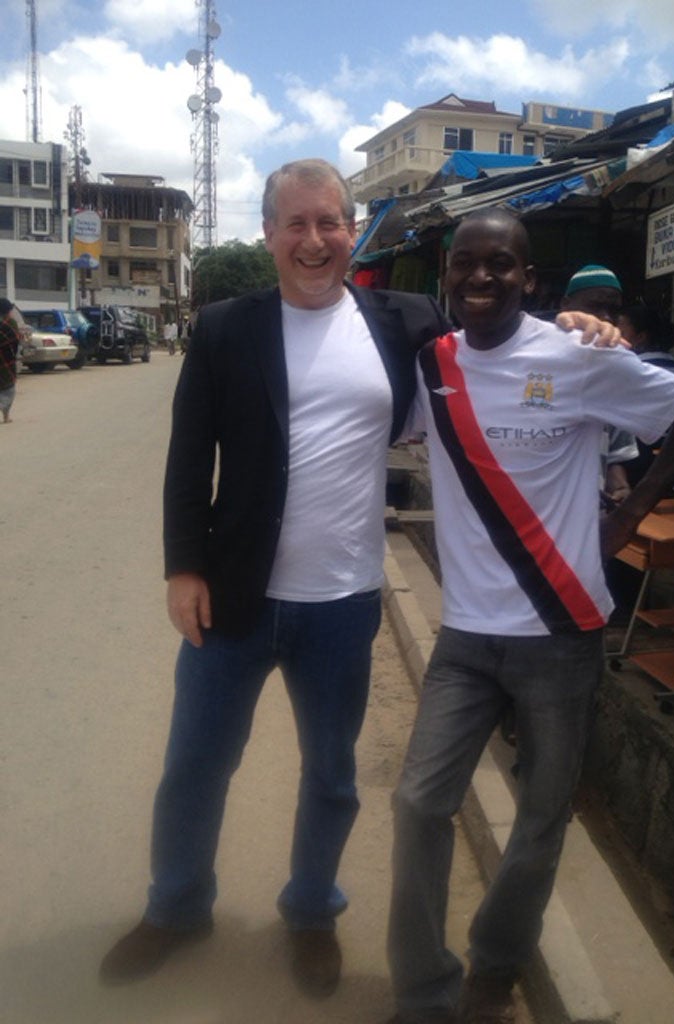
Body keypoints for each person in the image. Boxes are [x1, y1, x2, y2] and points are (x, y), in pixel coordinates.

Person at [98, 158, 621, 996]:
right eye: (296, 224)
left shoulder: (403, 319)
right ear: (269, 235)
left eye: (330, 222)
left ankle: (311, 911)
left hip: (342, 602)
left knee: (332, 774)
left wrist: (577, 327)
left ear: (352, 231)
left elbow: (498, 327)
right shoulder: (227, 327)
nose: (314, 240)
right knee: (195, 764)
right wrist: (182, 568)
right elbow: (189, 457)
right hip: (234, 595)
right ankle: (177, 906)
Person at [385, 208, 674, 1024]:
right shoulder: (433, 367)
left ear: (528, 279)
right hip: (467, 636)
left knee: (541, 817)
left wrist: (631, 511)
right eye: (466, 263)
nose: (481, 277)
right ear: (448, 276)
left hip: (563, 634)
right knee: (421, 803)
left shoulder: (574, 357)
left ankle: (497, 962)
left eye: (500, 264)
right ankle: (425, 990)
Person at [560, 264, 638, 504]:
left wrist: (622, 488)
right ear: (566, 306)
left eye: (613, 310)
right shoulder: (542, 359)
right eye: (595, 306)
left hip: (589, 516)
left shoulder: (614, 368)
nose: (605, 317)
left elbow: (614, 452)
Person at [617, 305, 674, 486]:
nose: (614, 333)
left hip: (637, 458)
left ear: (640, 338)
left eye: (621, 329)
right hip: (671, 455)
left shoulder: (635, 371)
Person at [0, 298, 22, 424]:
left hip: (4, 361)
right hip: (6, 361)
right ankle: (5, 416)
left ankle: (6, 416)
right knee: (8, 389)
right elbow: (15, 340)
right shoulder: (10, 323)